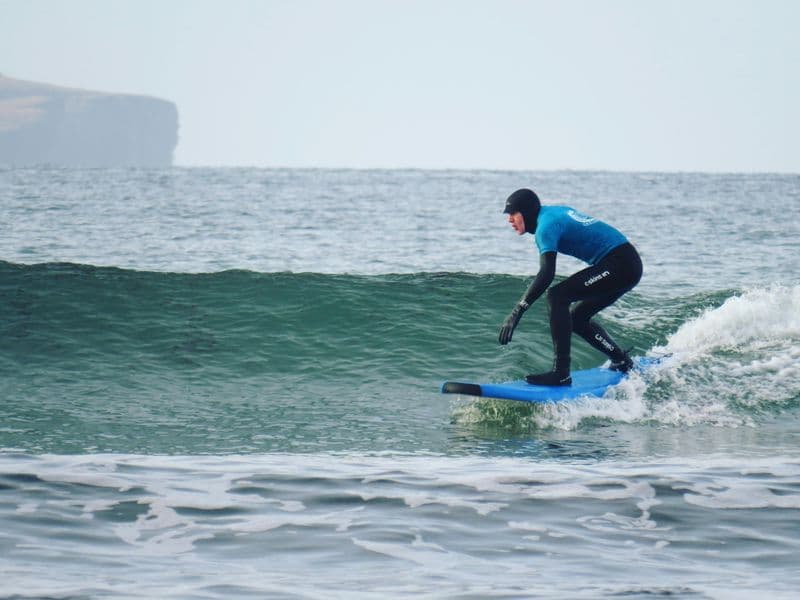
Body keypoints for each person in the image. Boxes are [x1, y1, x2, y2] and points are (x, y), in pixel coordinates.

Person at [498, 188, 642, 386]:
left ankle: (561, 373)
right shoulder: (551, 213)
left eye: (513, 214)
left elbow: (546, 274)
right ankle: (621, 360)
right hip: (626, 264)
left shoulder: (545, 227)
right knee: (576, 318)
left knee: (557, 296)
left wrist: (517, 312)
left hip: (620, 264)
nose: (510, 220)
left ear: (527, 212)